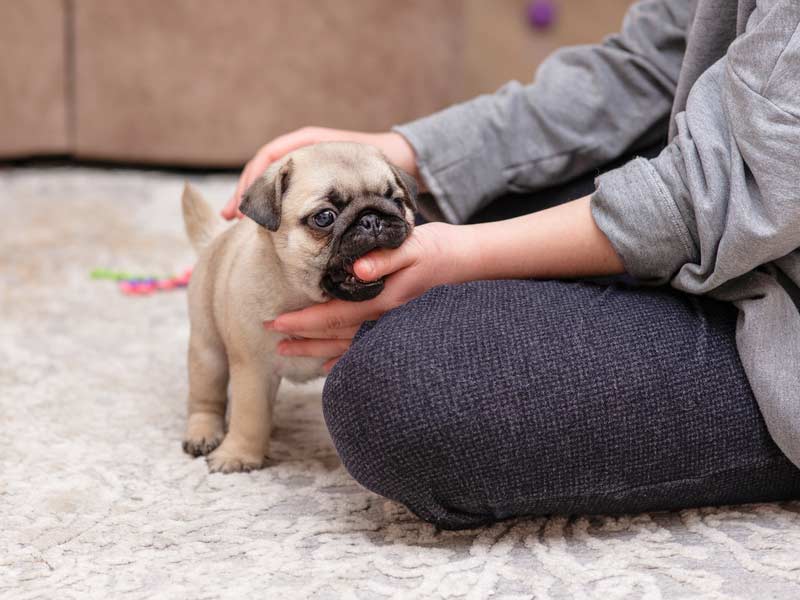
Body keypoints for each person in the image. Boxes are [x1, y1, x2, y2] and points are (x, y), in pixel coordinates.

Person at [222, 0, 800, 529]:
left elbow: (739, 184)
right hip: (717, 187)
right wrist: (415, 151)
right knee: (464, 193)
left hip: (782, 301)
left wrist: (463, 256)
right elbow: (648, 66)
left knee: (406, 390)